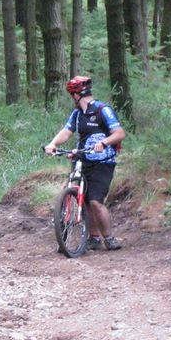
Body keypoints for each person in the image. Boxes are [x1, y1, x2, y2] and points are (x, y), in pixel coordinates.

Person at [44, 76, 127, 251]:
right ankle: (93, 238)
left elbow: (119, 133)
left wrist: (104, 142)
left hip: (103, 163)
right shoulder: (77, 114)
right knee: (85, 201)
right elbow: (66, 131)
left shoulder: (103, 110)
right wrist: (53, 144)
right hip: (82, 160)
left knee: (95, 201)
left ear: (76, 95)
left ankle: (109, 238)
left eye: (71, 95)